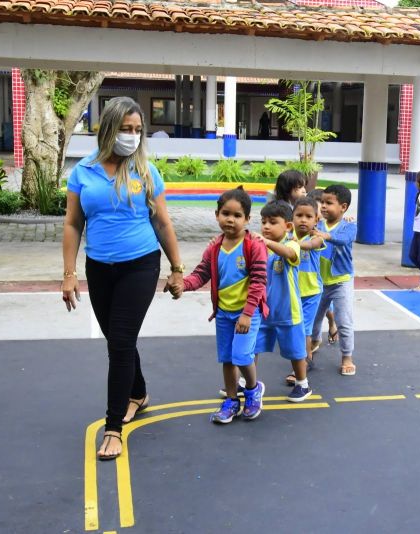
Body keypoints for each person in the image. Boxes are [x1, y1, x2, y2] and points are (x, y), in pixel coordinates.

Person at [61, 96, 184, 461]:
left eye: (137, 130)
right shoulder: (83, 172)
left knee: (119, 341)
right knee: (119, 339)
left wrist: (177, 268)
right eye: (126, 129)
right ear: (109, 129)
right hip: (99, 268)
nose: (132, 136)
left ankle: (114, 427)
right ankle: (138, 393)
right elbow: (72, 224)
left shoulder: (146, 171)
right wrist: (68, 274)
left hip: (140, 265)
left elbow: (162, 221)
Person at [179, 186, 269, 423]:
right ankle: (231, 400)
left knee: (242, 356)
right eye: (226, 214)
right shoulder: (214, 248)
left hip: (247, 313)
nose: (231, 219)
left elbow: (259, 281)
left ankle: (252, 389)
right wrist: (182, 285)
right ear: (216, 214)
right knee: (228, 359)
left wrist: (248, 313)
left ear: (248, 219)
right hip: (224, 314)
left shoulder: (254, 246)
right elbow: (200, 274)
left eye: (237, 215)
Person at [252, 201, 312, 402]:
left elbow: (290, 254)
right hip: (263, 311)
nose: (266, 226)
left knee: (296, 351)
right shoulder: (259, 247)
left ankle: (302, 384)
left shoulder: (291, 243)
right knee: (252, 347)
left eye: (272, 222)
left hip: (288, 311)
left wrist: (267, 243)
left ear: (287, 226)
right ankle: (247, 383)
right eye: (263, 222)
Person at [310, 185, 358, 376]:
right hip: (319, 282)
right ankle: (313, 342)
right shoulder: (318, 224)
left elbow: (343, 239)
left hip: (341, 281)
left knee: (344, 320)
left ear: (343, 207)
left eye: (328, 203)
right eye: (322, 202)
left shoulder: (349, 226)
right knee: (313, 319)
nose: (323, 206)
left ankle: (347, 356)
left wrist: (325, 235)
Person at [285, 197, 326, 386]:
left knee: (304, 330)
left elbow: (310, 246)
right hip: (293, 292)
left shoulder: (316, 237)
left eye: (308, 216)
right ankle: (302, 360)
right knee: (296, 329)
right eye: (299, 215)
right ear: (291, 218)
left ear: (316, 220)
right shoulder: (288, 235)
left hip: (311, 292)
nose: (303, 220)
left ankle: (303, 364)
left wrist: (293, 244)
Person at [308, 189, 338, 346]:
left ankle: (332, 323)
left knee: (327, 309)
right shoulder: (307, 226)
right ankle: (315, 338)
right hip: (313, 272)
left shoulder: (328, 226)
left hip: (326, 272)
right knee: (317, 308)